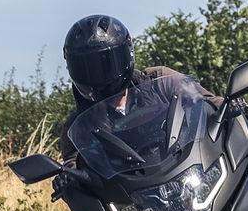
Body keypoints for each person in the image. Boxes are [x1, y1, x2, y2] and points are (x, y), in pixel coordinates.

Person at [57, 14, 221, 164]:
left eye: (106, 63)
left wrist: (228, 105)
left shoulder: (160, 81)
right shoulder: (77, 128)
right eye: (87, 68)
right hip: (129, 195)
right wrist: (68, 179)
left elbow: (206, 101)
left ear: (126, 55)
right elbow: (73, 166)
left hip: (188, 171)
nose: (98, 75)